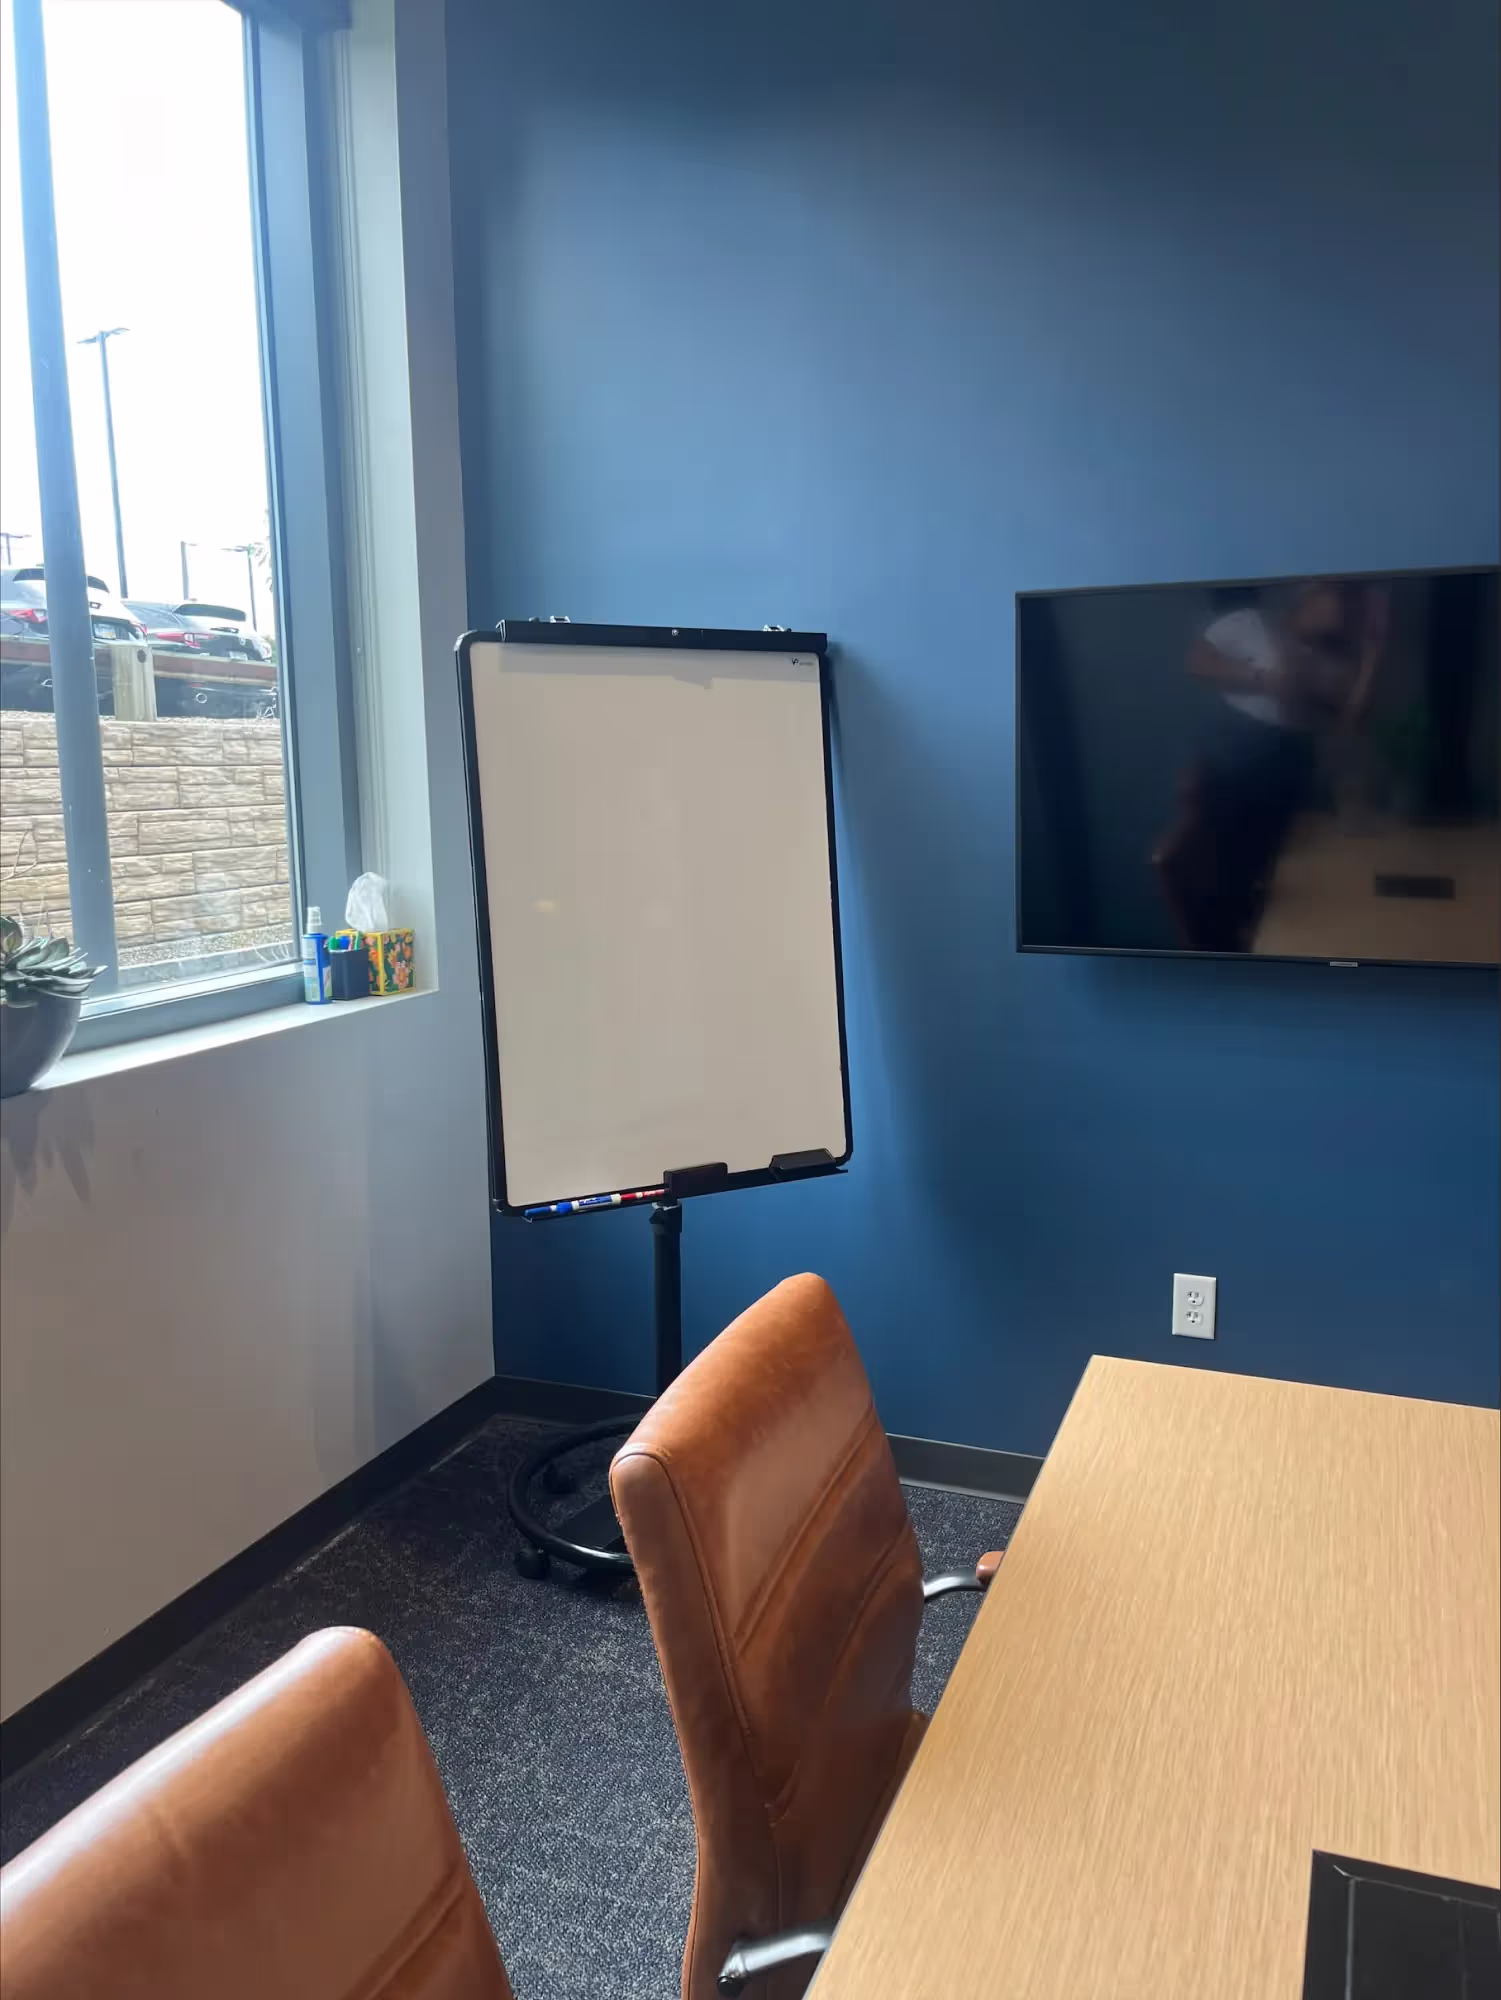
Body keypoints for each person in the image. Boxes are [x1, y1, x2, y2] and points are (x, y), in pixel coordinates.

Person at [1170, 581, 1387, 949]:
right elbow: (1198, 661)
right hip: (1236, 760)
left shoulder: (1325, 660)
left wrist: (1372, 653)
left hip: (1289, 767)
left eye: (1353, 607)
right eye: (1341, 598)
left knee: (1298, 868)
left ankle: (1274, 933)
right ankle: (1236, 940)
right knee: (1235, 877)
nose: (1346, 611)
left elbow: (1354, 718)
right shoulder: (1250, 623)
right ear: (1310, 596)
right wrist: (1262, 678)